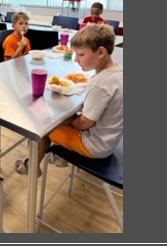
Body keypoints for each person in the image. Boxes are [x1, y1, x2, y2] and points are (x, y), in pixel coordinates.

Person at [14, 24, 123, 175]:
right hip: (109, 139)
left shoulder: (100, 84)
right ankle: (59, 157)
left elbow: (84, 123)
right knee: (65, 119)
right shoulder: (118, 71)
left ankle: (32, 167)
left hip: (94, 146)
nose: (76, 60)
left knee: (45, 128)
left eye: (81, 55)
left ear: (101, 52)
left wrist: (67, 120)